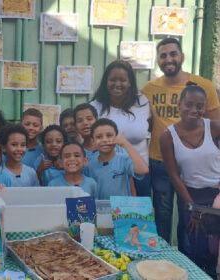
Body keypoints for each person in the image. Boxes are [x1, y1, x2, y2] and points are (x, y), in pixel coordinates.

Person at [142, 37, 220, 244]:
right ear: (158, 60)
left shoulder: (203, 86)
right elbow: (146, 123)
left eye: (173, 54)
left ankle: (189, 260)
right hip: (160, 160)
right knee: (163, 214)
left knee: (190, 214)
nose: (169, 59)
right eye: (163, 55)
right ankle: (163, 259)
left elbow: (215, 127)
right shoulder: (149, 89)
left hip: (195, 164)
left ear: (182, 56)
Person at [160, 84, 220, 275]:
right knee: (195, 246)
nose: (194, 110)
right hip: (190, 196)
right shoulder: (167, 136)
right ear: (179, 105)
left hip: (217, 195)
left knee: (215, 249)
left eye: (200, 106)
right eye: (189, 104)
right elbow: (174, 176)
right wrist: (192, 206)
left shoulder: (215, 127)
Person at [90, 60, 151, 197]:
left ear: (130, 83)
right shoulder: (94, 107)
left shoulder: (142, 102)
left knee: (137, 217)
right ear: (106, 82)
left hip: (139, 170)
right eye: (112, 80)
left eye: (122, 80)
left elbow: (150, 126)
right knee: (106, 213)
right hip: (110, 173)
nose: (117, 84)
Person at [84, 118, 148, 199]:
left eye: (109, 135)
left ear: (116, 137)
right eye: (99, 137)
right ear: (93, 140)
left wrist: (125, 143)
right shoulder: (89, 165)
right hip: (99, 209)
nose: (105, 140)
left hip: (122, 210)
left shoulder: (124, 159)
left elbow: (143, 170)